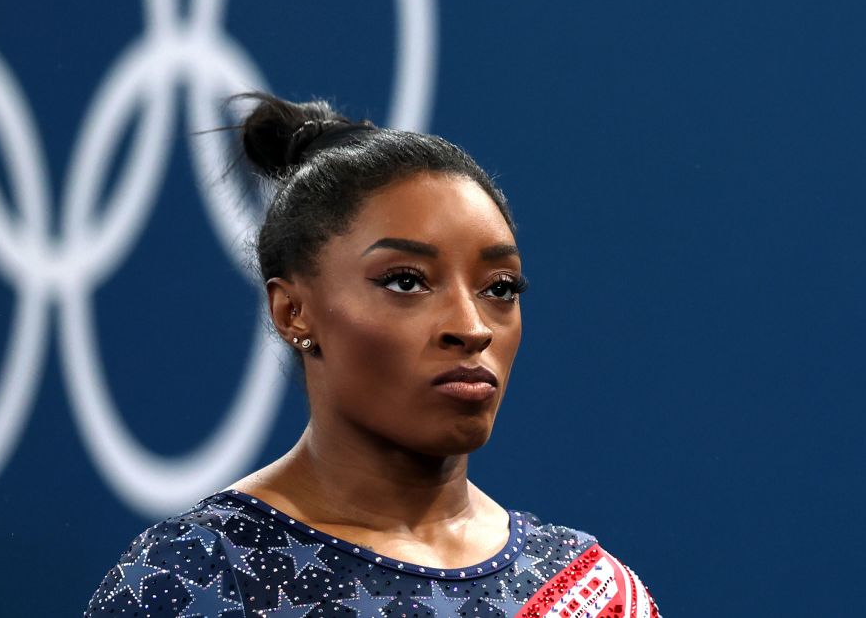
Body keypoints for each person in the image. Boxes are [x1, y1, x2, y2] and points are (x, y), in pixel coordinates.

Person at [85, 94, 660, 617]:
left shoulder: (593, 591)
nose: (471, 327)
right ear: (294, 313)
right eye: (407, 282)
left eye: (500, 289)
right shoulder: (198, 578)